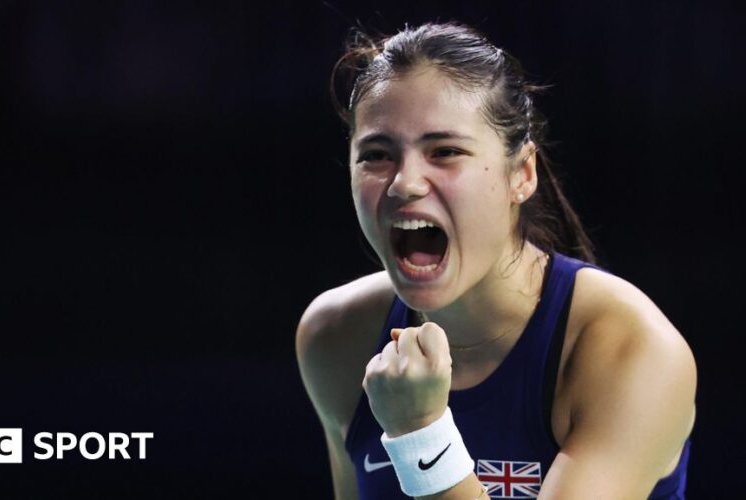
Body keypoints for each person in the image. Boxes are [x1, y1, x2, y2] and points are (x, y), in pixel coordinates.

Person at [295, 22, 696, 500]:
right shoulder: (336, 335)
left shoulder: (629, 349)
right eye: (377, 155)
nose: (404, 183)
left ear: (521, 174)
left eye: (445, 151)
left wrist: (422, 434)